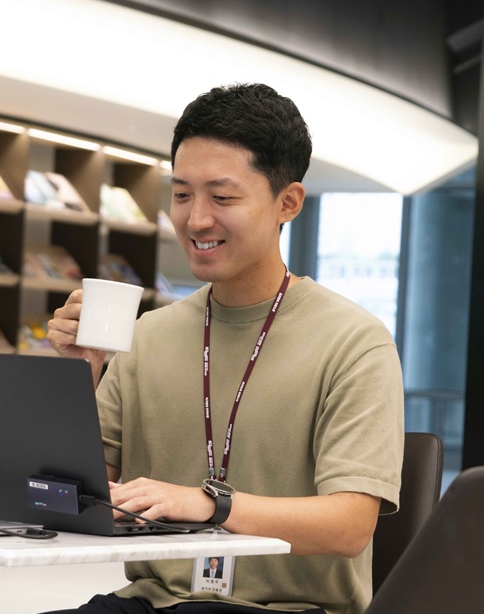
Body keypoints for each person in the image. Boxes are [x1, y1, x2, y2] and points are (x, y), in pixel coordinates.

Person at [44, 83, 403, 614]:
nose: (195, 219)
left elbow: (349, 526)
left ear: (289, 203)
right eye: (182, 193)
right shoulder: (146, 337)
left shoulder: (355, 342)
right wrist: (79, 377)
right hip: (151, 601)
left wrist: (209, 504)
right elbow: (66, 500)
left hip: (286, 609)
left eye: (223, 196)